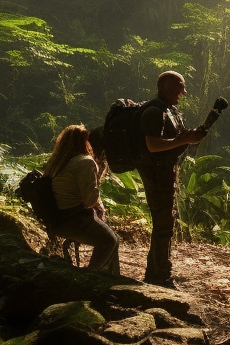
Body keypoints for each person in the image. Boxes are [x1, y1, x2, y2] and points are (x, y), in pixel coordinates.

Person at [137, 71, 206, 287]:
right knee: (163, 224)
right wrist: (181, 140)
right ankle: (159, 276)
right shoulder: (154, 112)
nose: (183, 92)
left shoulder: (171, 111)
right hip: (155, 175)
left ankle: (157, 272)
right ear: (166, 87)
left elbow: (176, 140)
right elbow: (152, 145)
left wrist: (190, 137)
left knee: (166, 223)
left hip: (166, 174)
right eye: (179, 86)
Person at [42, 125, 120, 275]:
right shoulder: (85, 162)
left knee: (108, 237)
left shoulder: (56, 163)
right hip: (76, 219)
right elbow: (90, 200)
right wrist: (97, 177)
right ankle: (91, 276)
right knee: (110, 241)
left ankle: (110, 277)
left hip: (56, 219)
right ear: (85, 142)